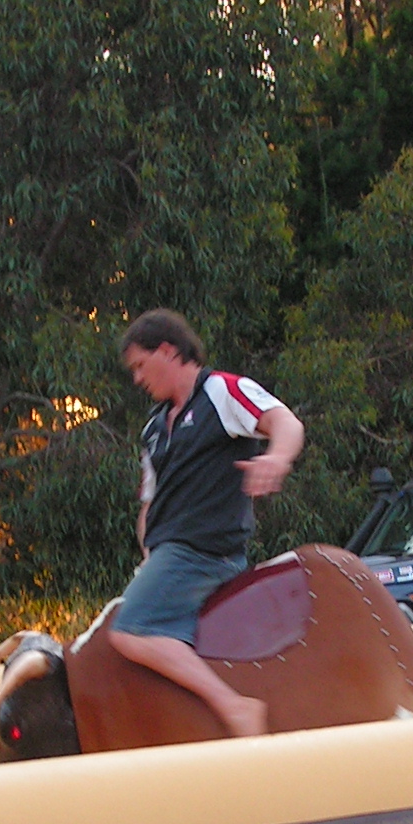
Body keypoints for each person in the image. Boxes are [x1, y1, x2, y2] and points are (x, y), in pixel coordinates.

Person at [109, 310, 305, 737]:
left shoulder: (222, 391)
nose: (138, 379)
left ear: (167, 350)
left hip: (202, 553)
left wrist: (277, 458)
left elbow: (286, 422)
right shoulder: (152, 431)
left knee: (129, 630)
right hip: (171, 554)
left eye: (141, 366)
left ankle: (233, 707)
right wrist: (149, 558)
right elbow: (151, 502)